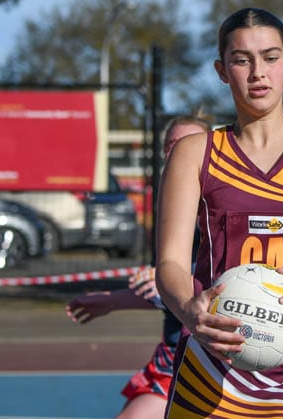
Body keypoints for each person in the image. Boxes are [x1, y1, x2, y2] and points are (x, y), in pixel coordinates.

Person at [155, 7, 283, 419]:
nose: (257, 73)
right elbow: (170, 264)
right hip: (208, 373)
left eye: (270, 58)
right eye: (241, 60)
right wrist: (189, 309)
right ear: (221, 70)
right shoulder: (194, 154)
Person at [66, 113, 212, 419]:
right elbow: (167, 293)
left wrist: (177, 278)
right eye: (171, 144)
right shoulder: (169, 211)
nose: (178, 151)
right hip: (176, 355)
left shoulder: (222, 210)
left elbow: (217, 281)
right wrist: (113, 300)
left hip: (216, 356)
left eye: (188, 143)